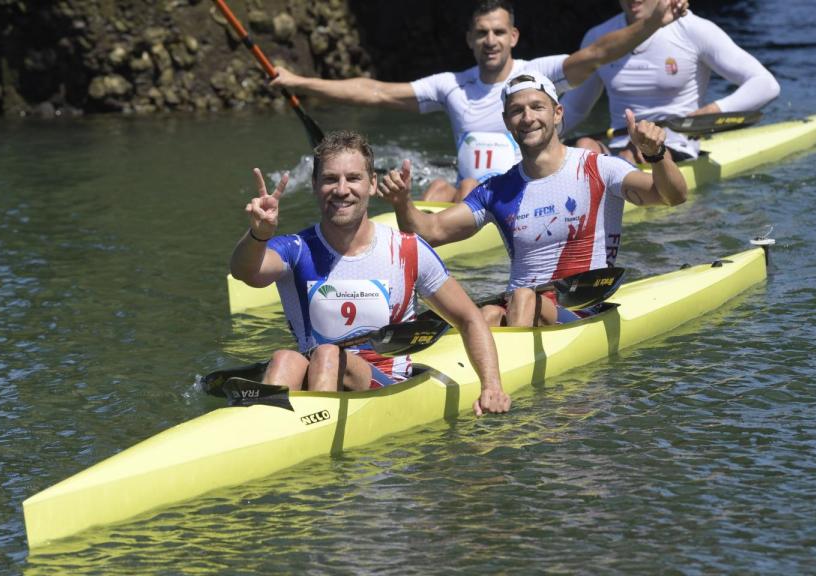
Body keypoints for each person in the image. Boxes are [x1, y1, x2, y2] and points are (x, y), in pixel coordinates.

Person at [271, 0, 688, 202]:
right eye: (482, 33)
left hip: (528, 190)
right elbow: (376, 90)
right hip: (471, 195)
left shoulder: (538, 73)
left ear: (513, 37)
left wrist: (651, 22)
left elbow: (598, 53)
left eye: (498, 32)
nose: (491, 40)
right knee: (440, 185)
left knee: (468, 183)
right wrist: (301, 82)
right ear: (470, 40)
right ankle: (407, 244)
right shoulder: (452, 84)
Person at [230, 130, 510, 415]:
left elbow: (469, 318)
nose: (341, 189)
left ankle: (307, 434)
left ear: (372, 184)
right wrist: (258, 234)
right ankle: (265, 430)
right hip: (318, 371)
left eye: (353, 178)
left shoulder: (407, 249)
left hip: (387, 386)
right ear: (314, 185)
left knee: (328, 354)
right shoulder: (296, 248)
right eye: (329, 179)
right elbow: (246, 273)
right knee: (284, 359)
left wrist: (491, 387)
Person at [378, 72, 688, 328]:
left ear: (557, 113)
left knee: (524, 297)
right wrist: (402, 201)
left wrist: (656, 155)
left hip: (581, 308)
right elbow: (429, 232)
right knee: (487, 313)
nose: (527, 117)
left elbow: (672, 196)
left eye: (537, 107)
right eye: (517, 110)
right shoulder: (497, 189)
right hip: (521, 310)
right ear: (507, 121)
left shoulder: (598, 168)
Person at [560, 1, 780, 163]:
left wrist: (713, 110)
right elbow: (575, 108)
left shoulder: (693, 29)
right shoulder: (598, 38)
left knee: (633, 152)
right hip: (617, 146)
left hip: (675, 143)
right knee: (583, 147)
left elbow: (765, 84)